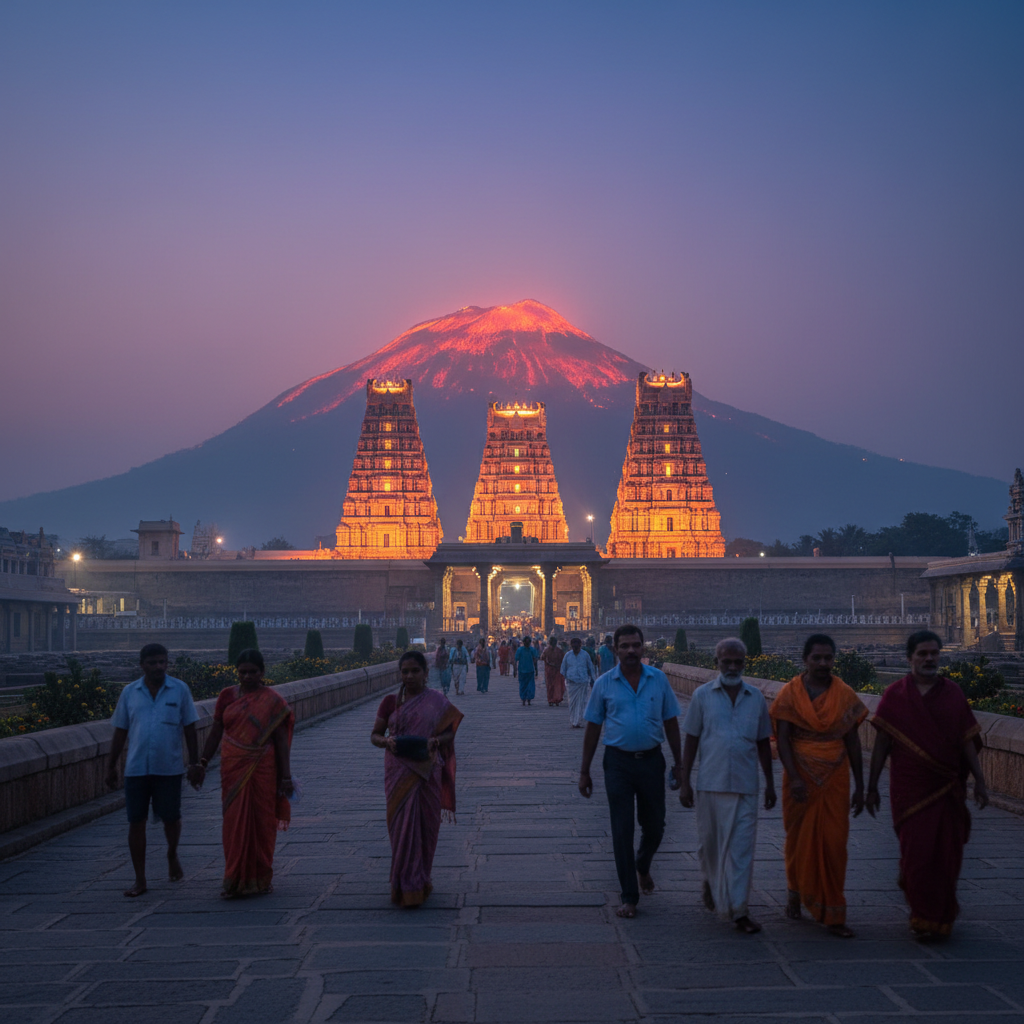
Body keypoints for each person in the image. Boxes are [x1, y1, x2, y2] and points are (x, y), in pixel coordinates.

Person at [865, 630, 988, 941]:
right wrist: (871, 785)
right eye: (922, 653)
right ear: (910, 658)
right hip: (910, 789)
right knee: (918, 855)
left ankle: (939, 917)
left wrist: (981, 781)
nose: (929, 658)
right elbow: (881, 743)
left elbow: (967, 742)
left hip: (948, 787)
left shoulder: (953, 694)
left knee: (946, 857)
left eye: (934, 653)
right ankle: (922, 917)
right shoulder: (895, 695)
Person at [579, 624, 682, 918]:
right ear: (615, 650)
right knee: (622, 829)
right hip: (618, 763)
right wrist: (584, 771)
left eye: (635, 645)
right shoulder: (604, 684)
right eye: (624, 646)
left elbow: (671, 722)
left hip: (651, 760)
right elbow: (593, 728)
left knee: (655, 825)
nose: (630, 651)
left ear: (643, 648)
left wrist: (680, 763)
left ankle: (642, 864)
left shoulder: (658, 680)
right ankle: (629, 895)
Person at [771, 634, 867, 938]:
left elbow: (852, 741)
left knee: (834, 844)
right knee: (798, 840)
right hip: (799, 777)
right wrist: (796, 777)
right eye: (817, 658)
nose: (823, 663)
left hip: (836, 776)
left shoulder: (844, 694)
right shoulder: (790, 694)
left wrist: (861, 786)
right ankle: (795, 893)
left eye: (828, 658)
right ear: (805, 660)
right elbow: (783, 739)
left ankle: (832, 911)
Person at [678, 638, 776, 933]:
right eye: (726, 662)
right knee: (711, 847)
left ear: (745, 664)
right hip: (710, 781)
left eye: (738, 662)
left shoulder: (756, 698)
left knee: (742, 849)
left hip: (746, 784)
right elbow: (691, 739)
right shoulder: (702, 696)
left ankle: (738, 910)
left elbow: (762, 742)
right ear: (717, 663)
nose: (732, 667)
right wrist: (685, 783)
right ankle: (710, 879)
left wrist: (771, 783)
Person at [195, 649, 294, 898]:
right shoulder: (227, 696)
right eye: (242, 672)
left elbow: (281, 740)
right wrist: (203, 761)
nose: (247, 676)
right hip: (232, 768)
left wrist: (286, 777)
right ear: (236, 672)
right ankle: (235, 877)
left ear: (262, 672)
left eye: (253, 672)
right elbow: (217, 730)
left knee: (262, 824)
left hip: (263, 768)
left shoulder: (273, 701)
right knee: (234, 823)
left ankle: (261, 877)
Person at [106, 643, 201, 898]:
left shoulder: (179, 690)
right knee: (135, 822)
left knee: (171, 817)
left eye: (162, 662)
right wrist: (111, 764)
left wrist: (195, 763)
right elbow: (121, 731)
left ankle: (171, 852)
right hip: (136, 768)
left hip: (168, 768)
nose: (158, 667)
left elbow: (190, 728)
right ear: (142, 665)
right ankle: (140, 879)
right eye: (153, 663)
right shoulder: (130, 693)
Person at [371, 650, 463, 907]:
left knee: (426, 828)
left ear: (426, 673)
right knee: (401, 830)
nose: (410, 676)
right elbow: (375, 735)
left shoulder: (436, 701)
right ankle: (405, 885)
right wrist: (386, 741)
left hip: (427, 771)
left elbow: (449, 733)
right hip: (398, 773)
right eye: (405, 671)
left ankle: (421, 879)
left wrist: (435, 741)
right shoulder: (390, 702)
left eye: (415, 671)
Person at [561, 636, 596, 728]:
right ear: (571, 646)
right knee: (572, 703)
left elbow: (590, 668)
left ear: (580, 646)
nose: (575, 648)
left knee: (581, 703)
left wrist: (593, 679)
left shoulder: (585, 655)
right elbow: (563, 670)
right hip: (571, 683)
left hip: (583, 682)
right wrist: (566, 680)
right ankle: (573, 721)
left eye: (577, 646)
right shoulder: (568, 655)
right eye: (574, 646)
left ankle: (578, 721)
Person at [542, 635, 566, 706]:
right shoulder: (559, 651)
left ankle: (550, 699)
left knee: (550, 685)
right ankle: (556, 699)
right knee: (557, 685)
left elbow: (542, 657)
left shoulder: (546, 650)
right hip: (557, 670)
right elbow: (563, 660)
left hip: (549, 670)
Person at [515, 635, 538, 705]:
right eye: (526, 642)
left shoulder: (530, 650)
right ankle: (524, 699)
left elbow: (535, 660)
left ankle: (527, 699)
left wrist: (536, 669)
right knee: (524, 685)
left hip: (529, 670)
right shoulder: (522, 650)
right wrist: (514, 670)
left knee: (527, 685)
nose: (527, 644)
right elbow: (515, 660)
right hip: (523, 671)